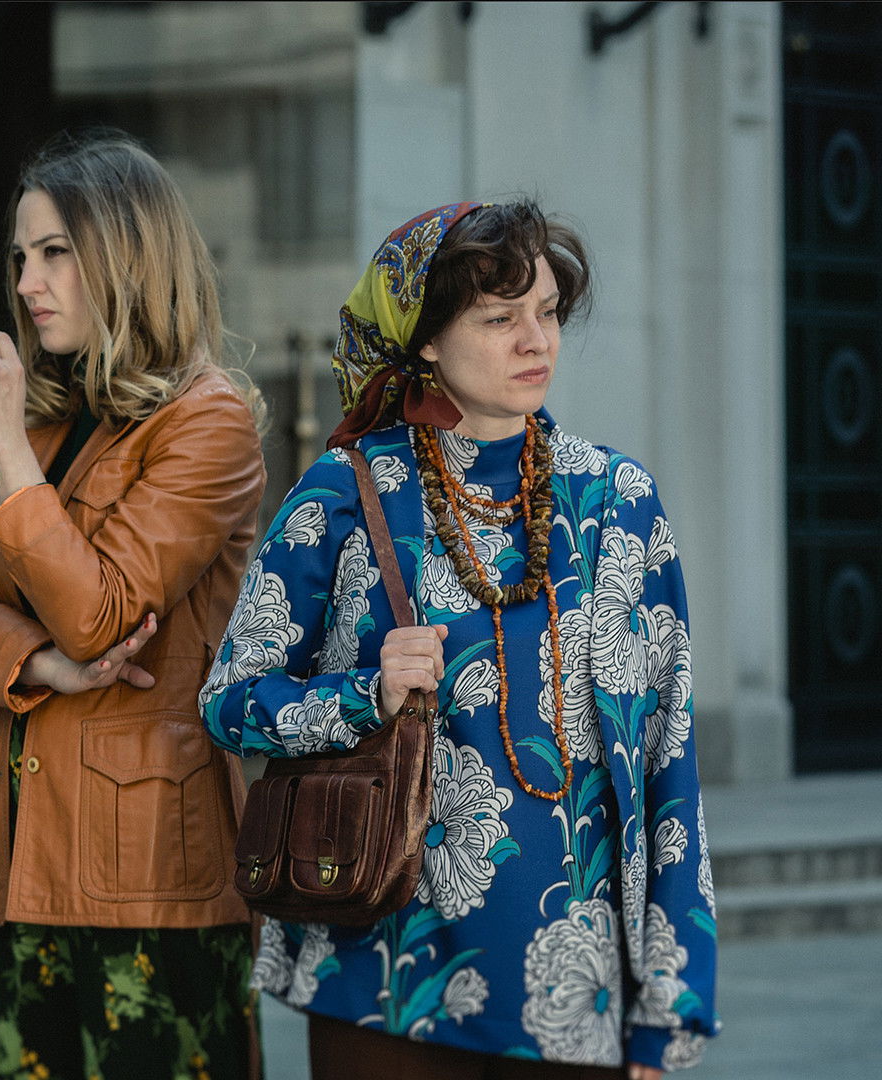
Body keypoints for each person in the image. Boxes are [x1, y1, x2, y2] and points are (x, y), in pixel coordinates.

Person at [199, 203, 719, 1078]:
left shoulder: (618, 502)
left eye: (547, 312)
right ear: (429, 341)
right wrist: (363, 694)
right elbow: (229, 701)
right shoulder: (344, 492)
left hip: (574, 992)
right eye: (499, 317)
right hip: (381, 976)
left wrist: (670, 1004)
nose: (535, 340)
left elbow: (670, 762)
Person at [0, 132, 267, 1080]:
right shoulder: (46, 421)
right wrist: (43, 666)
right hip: (29, 857)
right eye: (20, 257)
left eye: (56, 253)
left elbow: (99, 616)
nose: (28, 283)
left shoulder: (208, 421)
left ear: (128, 255)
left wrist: (4, 448)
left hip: (152, 878)